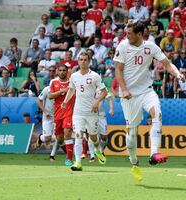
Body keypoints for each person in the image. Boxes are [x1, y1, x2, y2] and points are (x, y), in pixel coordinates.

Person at [114, 21, 185, 181]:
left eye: (130, 33)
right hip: (129, 94)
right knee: (131, 135)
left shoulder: (151, 47)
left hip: (146, 90)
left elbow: (167, 64)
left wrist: (178, 74)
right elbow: (118, 70)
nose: (127, 35)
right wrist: (124, 90)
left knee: (157, 114)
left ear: (139, 34)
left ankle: (154, 153)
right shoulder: (123, 46)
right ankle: (134, 161)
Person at [62, 52, 107, 171]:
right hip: (78, 112)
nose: (83, 62)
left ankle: (97, 150)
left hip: (91, 112)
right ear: (78, 61)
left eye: (85, 60)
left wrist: (97, 102)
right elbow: (71, 89)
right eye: (81, 59)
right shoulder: (74, 76)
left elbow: (104, 92)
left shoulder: (95, 76)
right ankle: (78, 163)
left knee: (93, 136)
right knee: (78, 136)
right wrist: (66, 101)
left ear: (89, 61)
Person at [49, 64, 75, 165]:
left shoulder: (72, 82)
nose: (62, 72)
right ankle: (68, 152)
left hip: (69, 112)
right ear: (57, 71)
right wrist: (61, 91)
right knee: (59, 139)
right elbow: (50, 96)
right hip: (58, 113)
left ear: (67, 71)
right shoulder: (53, 82)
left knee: (67, 133)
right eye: (60, 70)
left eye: (64, 70)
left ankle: (69, 159)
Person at [35, 85, 54, 154]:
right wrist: (45, 112)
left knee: (61, 136)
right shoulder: (47, 89)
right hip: (48, 117)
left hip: (59, 116)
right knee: (47, 139)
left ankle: (68, 156)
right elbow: (38, 101)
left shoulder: (63, 89)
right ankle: (40, 137)